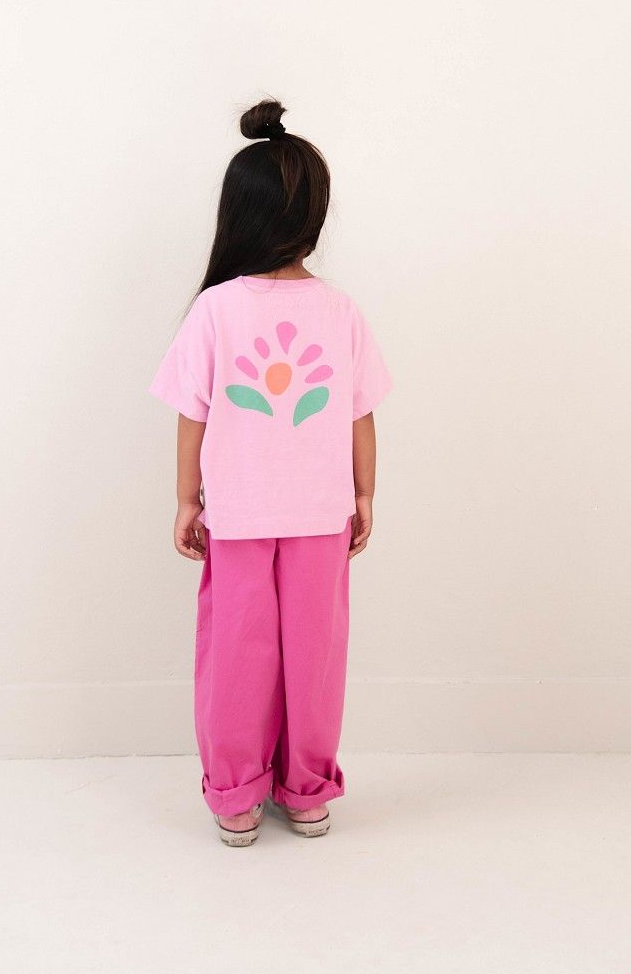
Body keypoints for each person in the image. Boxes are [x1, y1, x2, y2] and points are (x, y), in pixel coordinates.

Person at [148, 97, 392, 845]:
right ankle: (307, 790)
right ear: (315, 214)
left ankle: (236, 795)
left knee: (237, 655)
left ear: (239, 214)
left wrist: (186, 501)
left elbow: (192, 415)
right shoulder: (340, 310)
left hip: (240, 513)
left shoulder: (215, 310)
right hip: (320, 512)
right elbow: (360, 414)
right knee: (316, 656)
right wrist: (364, 494)